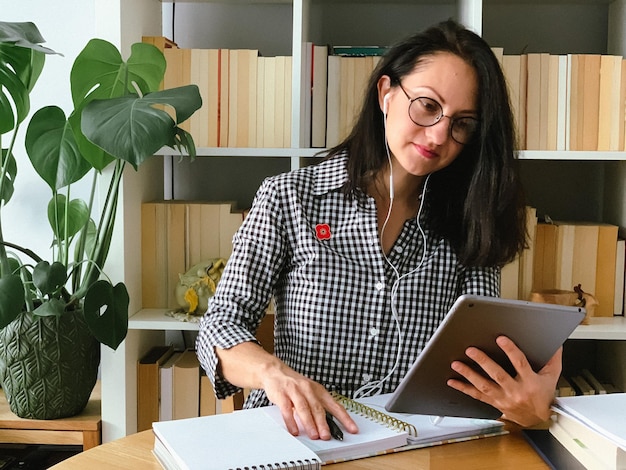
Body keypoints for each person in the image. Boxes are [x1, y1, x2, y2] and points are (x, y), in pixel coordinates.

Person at [196, 19, 561, 442]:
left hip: (412, 446)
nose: (440, 133)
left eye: (462, 123)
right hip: (297, 439)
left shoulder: (470, 223)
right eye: (427, 105)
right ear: (386, 93)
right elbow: (222, 323)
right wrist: (272, 372)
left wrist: (528, 408)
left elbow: (477, 371)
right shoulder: (290, 197)